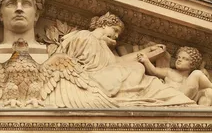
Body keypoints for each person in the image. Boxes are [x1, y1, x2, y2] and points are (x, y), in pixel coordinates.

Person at [59, 12, 195, 107]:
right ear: (104, 25)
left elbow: (118, 62)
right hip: (95, 82)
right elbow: (77, 66)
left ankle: (178, 101)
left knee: (149, 79)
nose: (117, 36)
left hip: (107, 79)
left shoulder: (103, 47)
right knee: (140, 71)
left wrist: (147, 51)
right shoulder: (85, 36)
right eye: (115, 30)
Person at [138, 46, 212, 106]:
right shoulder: (169, 72)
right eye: (178, 57)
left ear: (192, 64)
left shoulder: (192, 80)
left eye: (184, 59)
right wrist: (146, 60)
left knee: (209, 91)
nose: (179, 60)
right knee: (197, 73)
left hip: (185, 100)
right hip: (174, 99)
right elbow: (153, 71)